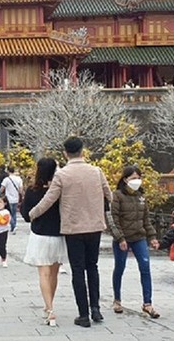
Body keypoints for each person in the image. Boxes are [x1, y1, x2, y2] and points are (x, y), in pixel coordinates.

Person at [29, 137, 112, 328]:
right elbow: (109, 194)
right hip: (95, 226)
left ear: (65, 153)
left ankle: (83, 314)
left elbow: (49, 199)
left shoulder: (62, 175)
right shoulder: (96, 171)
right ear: (83, 151)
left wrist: (33, 213)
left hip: (73, 228)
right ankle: (96, 309)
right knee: (93, 267)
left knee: (77, 270)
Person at [106, 165, 160, 318]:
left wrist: (152, 237)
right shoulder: (116, 196)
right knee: (120, 268)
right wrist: (120, 238)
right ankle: (117, 299)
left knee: (145, 267)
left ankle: (147, 303)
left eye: (138, 178)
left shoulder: (141, 197)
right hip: (122, 238)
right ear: (125, 179)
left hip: (139, 237)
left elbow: (146, 220)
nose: (136, 181)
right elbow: (113, 219)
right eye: (133, 178)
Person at [21, 158, 67, 328]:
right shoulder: (60, 190)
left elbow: (26, 215)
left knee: (43, 273)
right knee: (54, 274)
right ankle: (50, 305)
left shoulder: (32, 191)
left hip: (40, 235)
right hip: (58, 236)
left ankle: (49, 309)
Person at [0, 166, 23, 234]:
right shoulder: (19, 179)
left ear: (8, 171)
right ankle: (14, 226)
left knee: (9, 213)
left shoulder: (6, 179)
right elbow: (21, 190)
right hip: (16, 198)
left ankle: (13, 226)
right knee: (14, 213)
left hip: (8, 198)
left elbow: (2, 189)